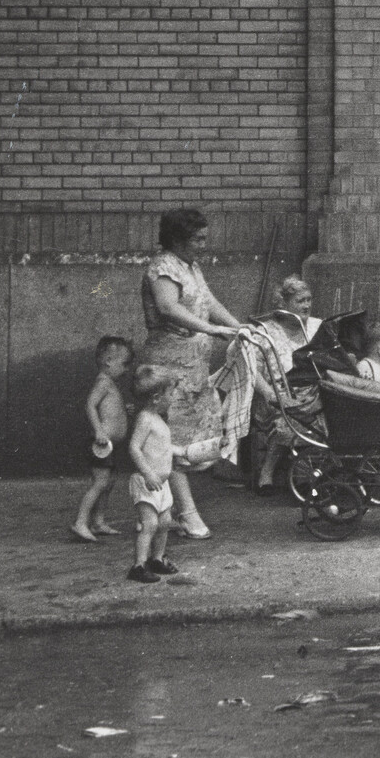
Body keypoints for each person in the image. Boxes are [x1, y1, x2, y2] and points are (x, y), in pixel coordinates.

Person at [135, 206, 248, 540]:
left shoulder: (190, 266)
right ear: (177, 238)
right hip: (170, 364)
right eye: (197, 239)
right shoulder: (163, 267)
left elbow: (208, 301)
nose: (202, 244)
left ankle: (172, 510)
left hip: (193, 365)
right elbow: (169, 308)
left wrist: (236, 326)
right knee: (172, 439)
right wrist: (212, 331)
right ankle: (187, 515)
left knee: (192, 439)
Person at [247, 274, 324, 496]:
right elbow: (252, 371)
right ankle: (267, 473)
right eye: (301, 301)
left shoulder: (316, 327)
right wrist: (272, 396)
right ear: (284, 303)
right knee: (292, 415)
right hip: (275, 396)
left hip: (312, 391)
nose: (307, 305)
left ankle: (311, 474)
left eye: (309, 299)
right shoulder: (265, 332)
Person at [127, 365, 189, 583]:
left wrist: (181, 452)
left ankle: (157, 558)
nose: (173, 398)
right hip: (146, 482)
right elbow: (134, 447)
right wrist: (148, 473)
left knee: (164, 523)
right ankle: (138, 565)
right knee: (150, 524)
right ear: (155, 397)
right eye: (170, 393)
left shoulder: (159, 419)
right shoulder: (145, 419)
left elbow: (162, 447)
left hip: (162, 484)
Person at [71, 336, 132, 542]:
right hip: (101, 445)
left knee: (109, 482)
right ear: (108, 361)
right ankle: (81, 522)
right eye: (124, 364)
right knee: (100, 482)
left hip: (109, 445)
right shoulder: (103, 382)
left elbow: (109, 410)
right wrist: (99, 431)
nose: (126, 369)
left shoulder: (110, 384)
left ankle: (98, 522)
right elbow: (90, 405)